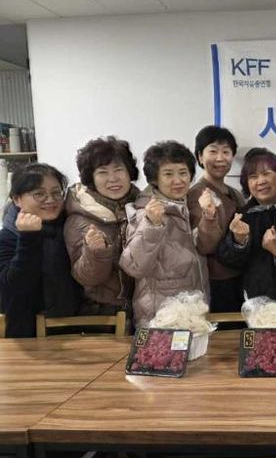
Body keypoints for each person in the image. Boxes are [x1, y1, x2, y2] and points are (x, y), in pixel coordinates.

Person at [120, 141, 210, 327]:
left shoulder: (187, 207)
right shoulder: (146, 212)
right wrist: (152, 226)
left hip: (189, 314)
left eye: (183, 173)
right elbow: (133, 267)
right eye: (168, 174)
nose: (178, 180)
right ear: (155, 179)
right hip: (161, 319)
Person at [0, 163, 82, 337]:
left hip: (75, 328)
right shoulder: (8, 236)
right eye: (39, 194)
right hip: (26, 334)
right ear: (17, 199)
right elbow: (15, 285)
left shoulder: (71, 228)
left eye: (56, 193)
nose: (50, 200)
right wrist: (28, 237)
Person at [64, 136, 140, 316]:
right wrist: (95, 252)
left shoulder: (143, 206)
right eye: (102, 172)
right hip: (105, 313)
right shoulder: (80, 219)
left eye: (119, 170)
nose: (112, 178)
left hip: (144, 305)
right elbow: (86, 278)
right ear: (91, 178)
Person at [216, 147, 276, 302]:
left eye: (267, 173)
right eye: (253, 177)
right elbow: (228, 261)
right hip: (257, 301)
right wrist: (239, 241)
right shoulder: (243, 215)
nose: (261, 181)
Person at [187, 125, 246, 312]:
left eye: (226, 152)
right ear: (200, 157)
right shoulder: (196, 194)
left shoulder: (236, 194)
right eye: (213, 151)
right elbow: (205, 245)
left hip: (239, 277)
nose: (220, 158)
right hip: (213, 282)